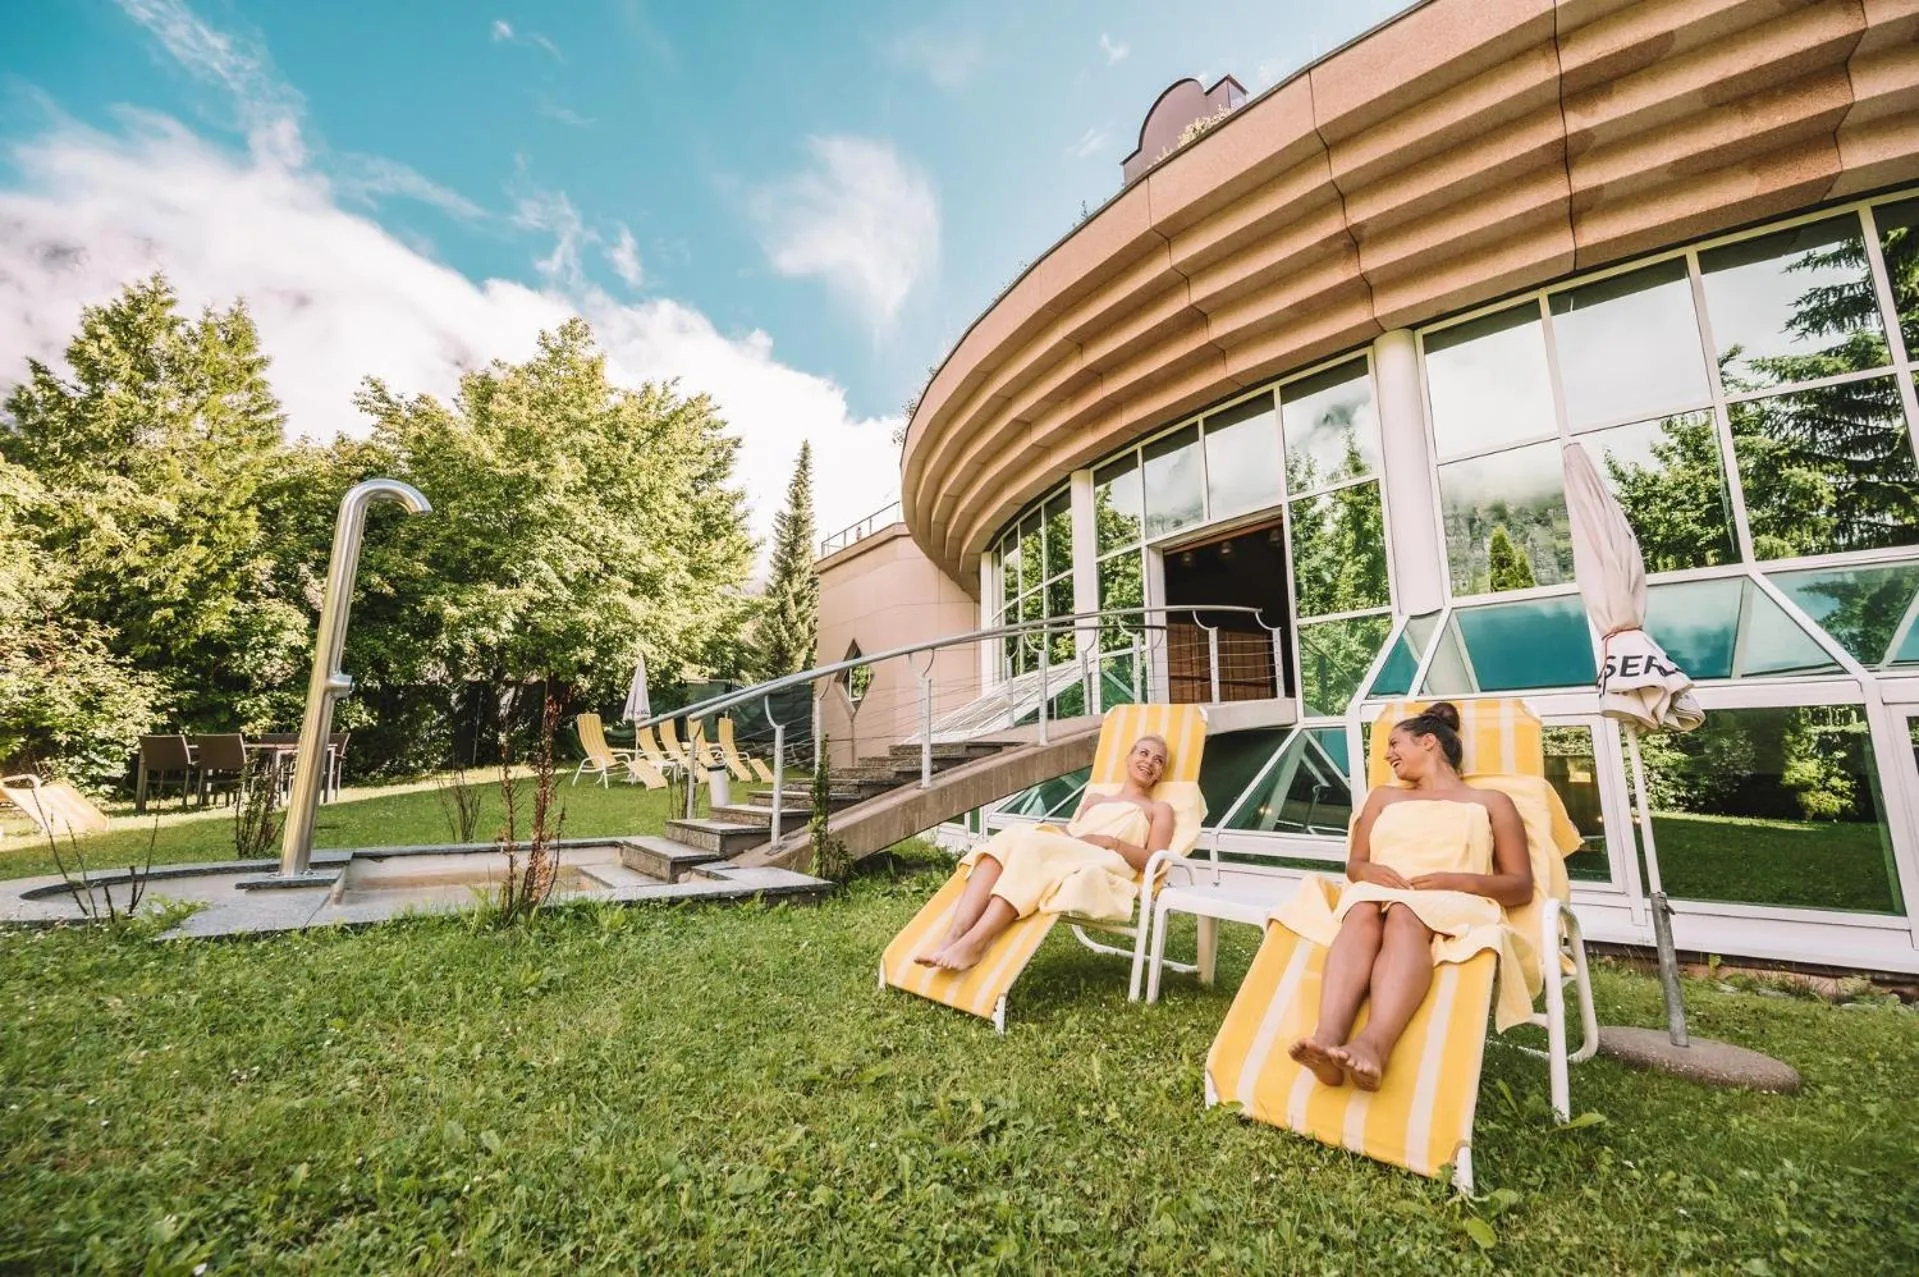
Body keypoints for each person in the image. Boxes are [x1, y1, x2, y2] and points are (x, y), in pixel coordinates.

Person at [1287, 702, 1533, 1092]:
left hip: (1454, 897)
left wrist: (1456, 880)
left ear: (1429, 742)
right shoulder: (1383, 797)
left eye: (1395, 744)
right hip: (1378, 891)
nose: (1387, 755)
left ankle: (1374, 1044)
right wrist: (1369, 872)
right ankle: (1327, 1038)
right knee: (1362, 908)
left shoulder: (1491, 801)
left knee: (1404, 913)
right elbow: (1356, 865)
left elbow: (1520, 885)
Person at [914, 734, 1176, 972]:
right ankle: (953, 935)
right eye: (1143, 753)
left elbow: (1155, 860)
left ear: (1159, 775)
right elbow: (1076, 831)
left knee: (1031, 843)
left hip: (1111, 860)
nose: (1149, 761)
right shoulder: (1095, 799)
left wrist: (1111, 842)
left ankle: (976, 941)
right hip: (1075, 848)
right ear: (1128, 758)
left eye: (1158, 760)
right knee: (1013, 835)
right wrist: (1058, 833)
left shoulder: (1159, 809)